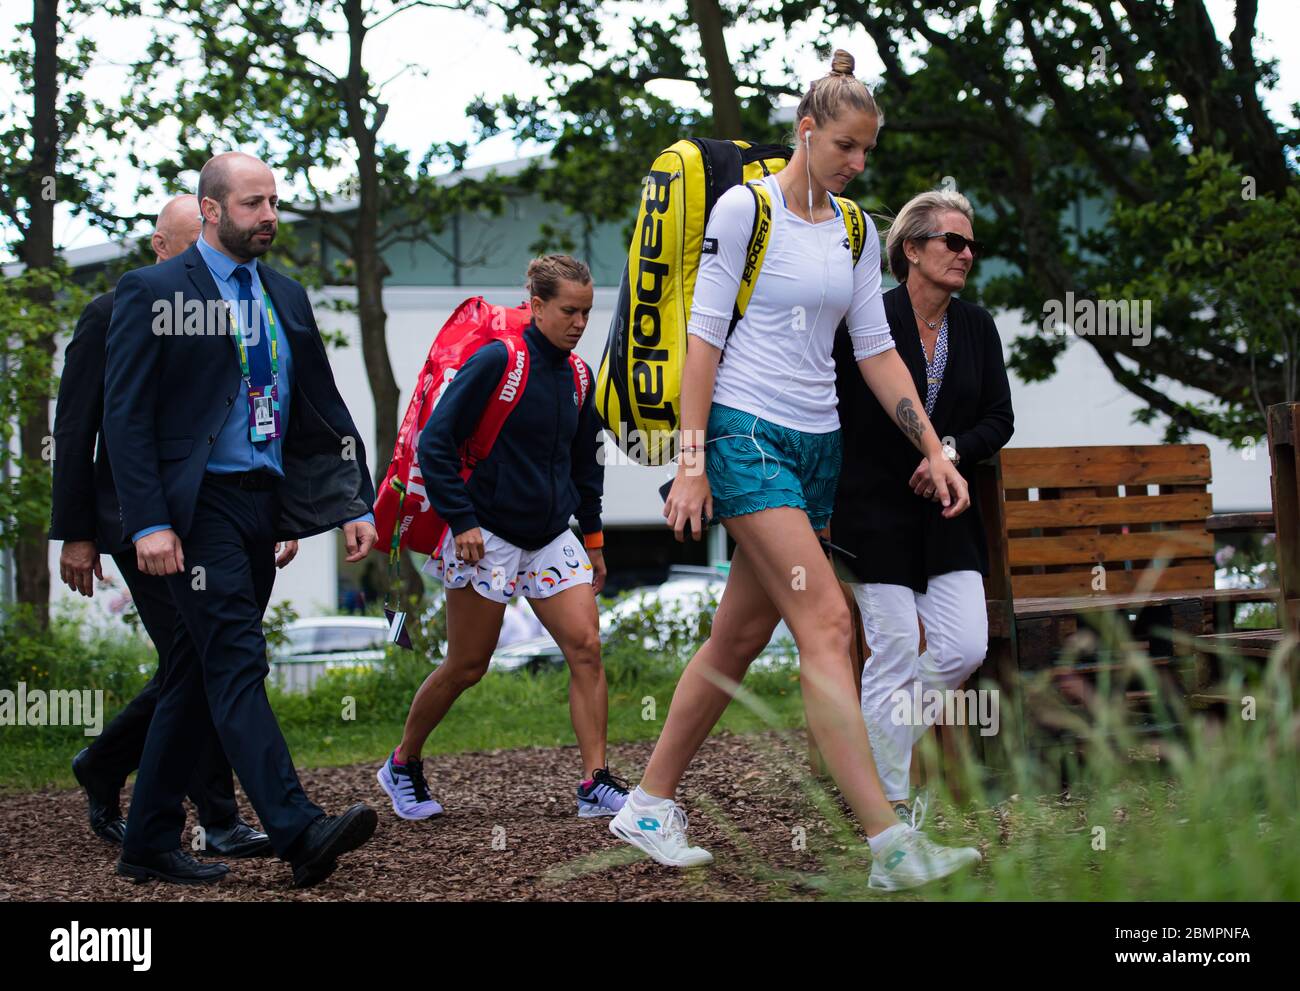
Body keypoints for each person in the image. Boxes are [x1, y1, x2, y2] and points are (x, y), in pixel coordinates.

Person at [607, 50, 982, 890]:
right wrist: (692, 463)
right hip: (745, 437)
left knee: (739, 636)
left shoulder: (852, 228)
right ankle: (890, 845)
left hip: (820, 446)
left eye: (868, 151)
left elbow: (876, 350)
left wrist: (932, 447)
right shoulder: (747, 209)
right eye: (847, 147)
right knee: (830, 627)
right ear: (807, 133)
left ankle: (648, 801)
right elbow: (704, 340)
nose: (857, 164)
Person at [103, 152, 380, 887]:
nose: (270, 217)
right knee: (234, 659)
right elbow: (125, 421)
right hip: (197, 511)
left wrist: (356, 497)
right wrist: (147, 522)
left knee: (195, 673)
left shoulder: (284, 294)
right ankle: (298, 827)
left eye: (274, 202)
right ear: (214, 210)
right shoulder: (153, 290)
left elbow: (319, 404)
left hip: (263, 499)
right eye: (254, 204)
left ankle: (149, 839)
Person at [50, 194, 276, 859]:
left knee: (198, 657)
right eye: (185, 251)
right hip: (136, 522)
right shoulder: (113, 311)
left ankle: (109, 762)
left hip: (210, 514)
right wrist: (78, 531)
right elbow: (77, 428)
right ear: (159, 247)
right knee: (202, 654)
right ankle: (216, 816)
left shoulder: (235, 309)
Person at [377, 255, 629, 820]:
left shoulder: (579, 376)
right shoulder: (497, 360)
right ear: (536, 306)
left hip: (550, 536)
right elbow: (436, 444)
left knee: (586, 649)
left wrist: (593, 540)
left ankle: (594, 782)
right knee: (468, 665)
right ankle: (402, 763)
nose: (579, 323)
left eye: (587, 312)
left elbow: (587, 466)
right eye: (568, 310)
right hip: (485, 534)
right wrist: (462, 520)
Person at [833, 189, 1014, 819]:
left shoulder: (978, 326)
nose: (966, 255)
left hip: (946, 512)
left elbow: (1000, 418)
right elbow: (841, 412)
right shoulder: (867, 318)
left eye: (972, 246)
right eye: (952, 242)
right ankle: (892, 810)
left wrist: (950, 452)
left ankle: (869, 749)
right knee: (892, 652)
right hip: (874, 511)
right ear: (911, 249)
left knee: (965, 647)